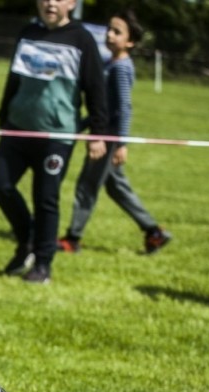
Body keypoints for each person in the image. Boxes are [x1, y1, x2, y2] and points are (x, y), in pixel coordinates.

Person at [0, 0, 109, 284]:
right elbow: (13, 79)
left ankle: (43, 264)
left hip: (57, 136)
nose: (50, 3)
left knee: (45, 199)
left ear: (71, 4)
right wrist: (4, 115)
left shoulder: (82, 39)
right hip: (18, 128)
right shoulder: (28, 32)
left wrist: (98, 133)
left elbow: (96, 88)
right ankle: (26, 239)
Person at [57, 9, 171, 255]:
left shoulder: (121, 68)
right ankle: (154, 233)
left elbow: (124, 108)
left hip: (107, 138)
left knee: (86, 186)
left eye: (117, 32)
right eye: (109, 29)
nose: (109, 34)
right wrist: (82, 124)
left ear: (130, 42)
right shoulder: (111, 63)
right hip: (104, 132)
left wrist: (120, 143)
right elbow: (103, 106)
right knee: (116, 187)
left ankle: (72, 239)